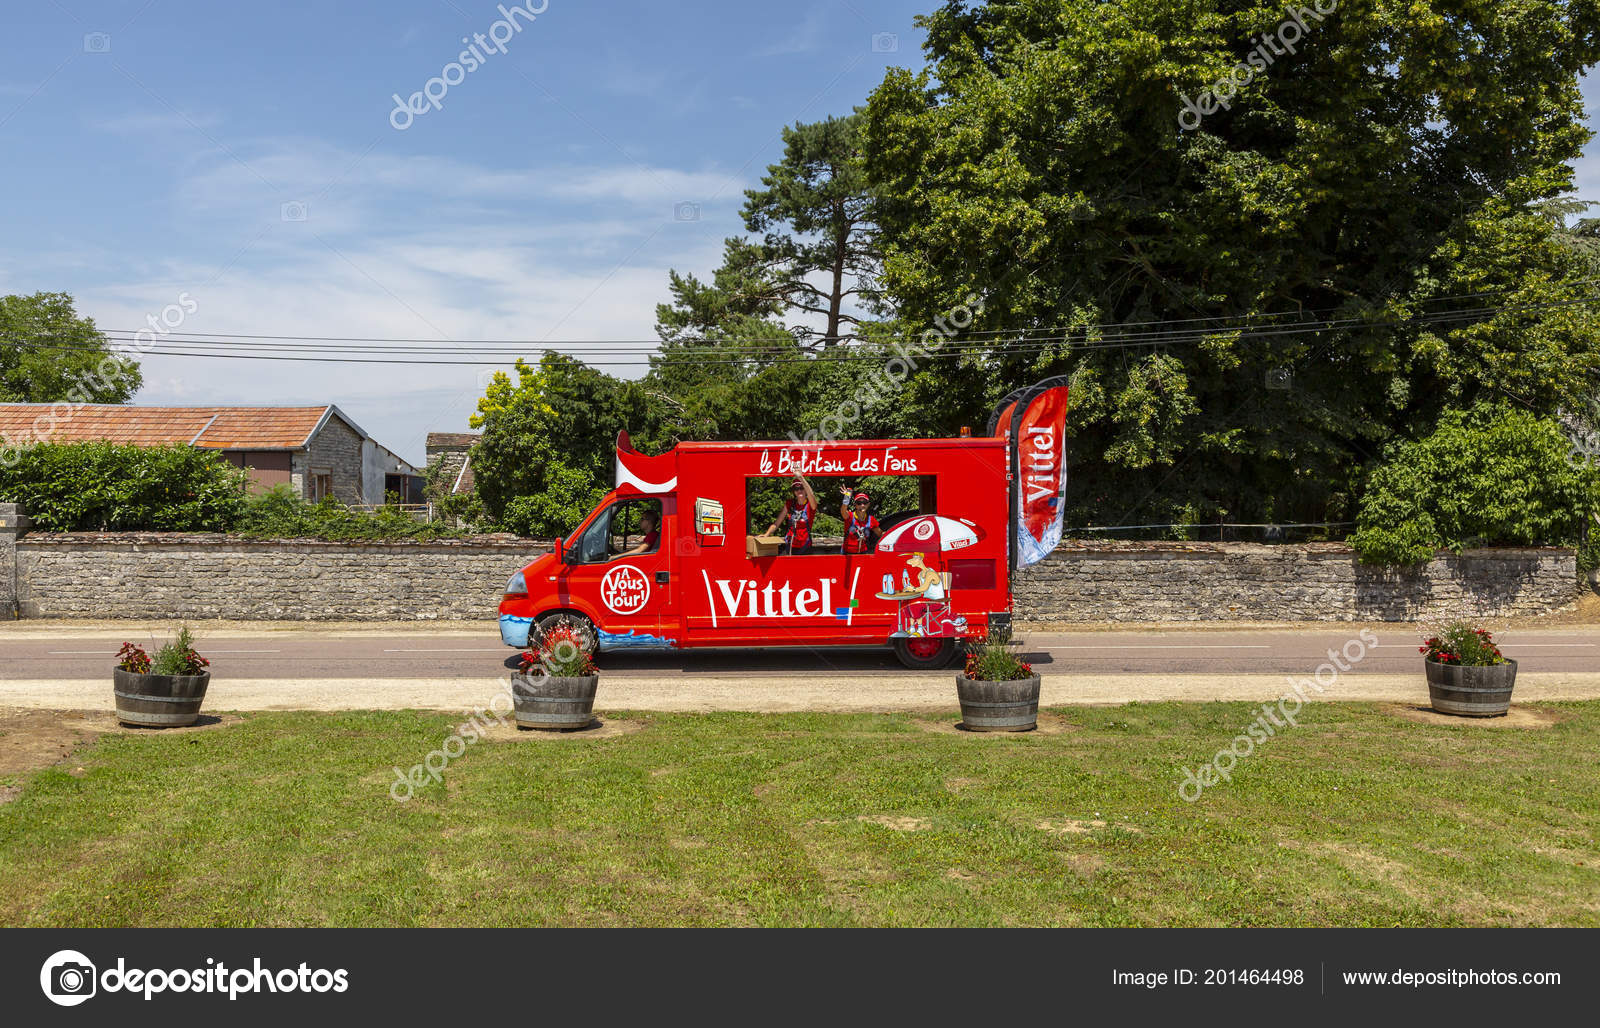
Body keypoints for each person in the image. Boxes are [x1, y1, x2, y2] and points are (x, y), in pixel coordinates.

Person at [765, 473, 817, 555]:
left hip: (805, 546)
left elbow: (811, 495)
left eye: (802, 488)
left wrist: (801, 478)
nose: (799, 490)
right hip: (790, 545)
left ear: (805, 490)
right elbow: (777, 523)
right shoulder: (790, 504)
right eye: (796, 489)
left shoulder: (810, 505)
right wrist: (766, 535)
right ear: (794, 492)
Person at [839, 485, 880, 554]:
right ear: (855, 505)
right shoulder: (850, 516)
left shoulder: (871, 519)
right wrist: (847, 497)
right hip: (847, 553)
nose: (862, 505)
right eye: (859, 503)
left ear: (868, 504)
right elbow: (843, 511)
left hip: (863, 553)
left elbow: (881, 534)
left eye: (865, 503)